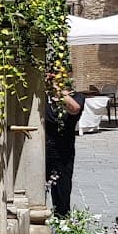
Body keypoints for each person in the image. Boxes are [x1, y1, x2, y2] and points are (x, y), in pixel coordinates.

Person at [44, 79, 83, 217]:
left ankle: (61, 227)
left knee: (62, 195)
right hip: (42, 152)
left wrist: (56, 91)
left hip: (63, 154)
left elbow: (75, 108)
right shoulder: (42, 97)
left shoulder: (77, 97)